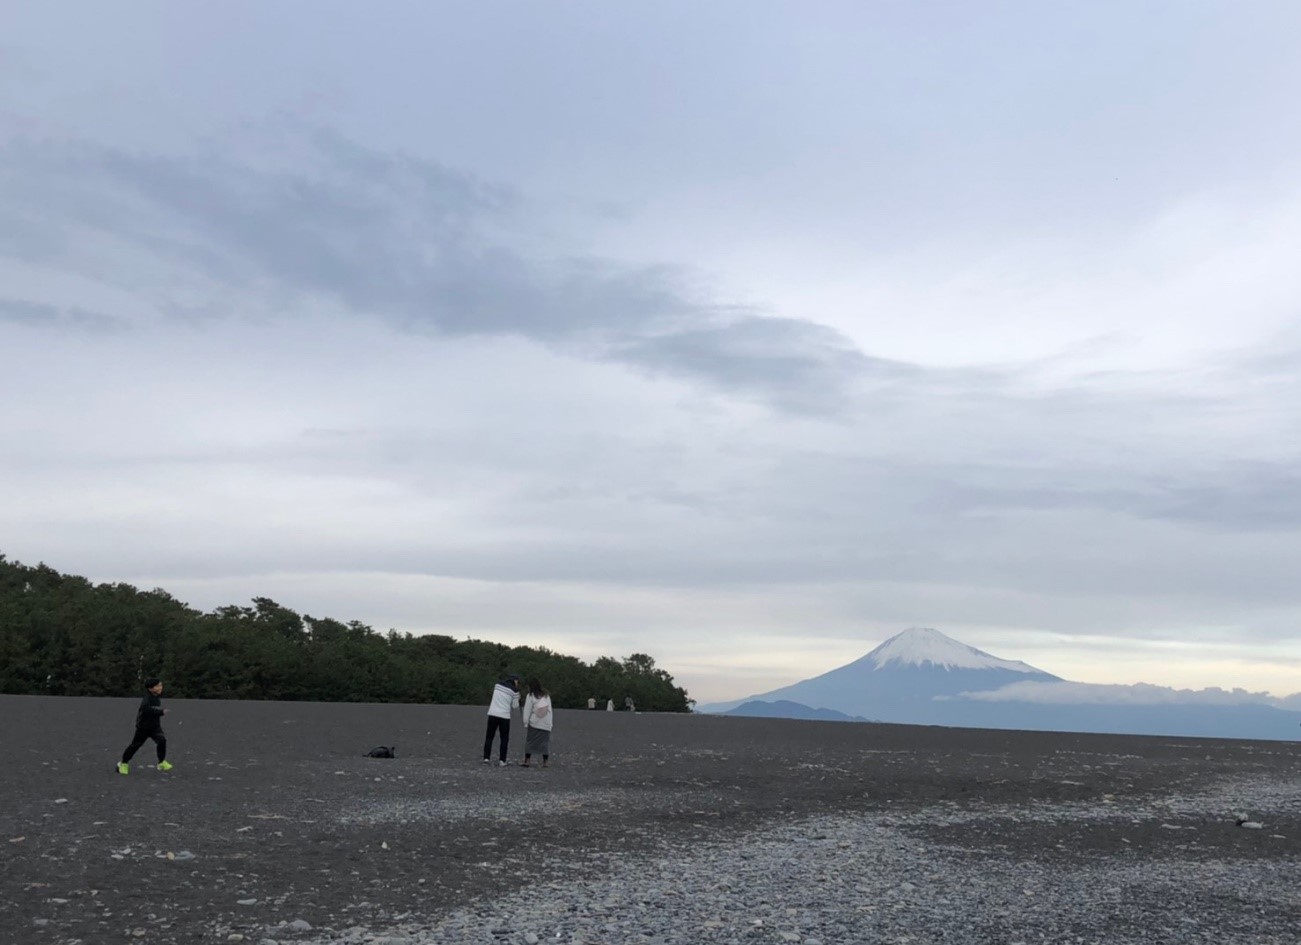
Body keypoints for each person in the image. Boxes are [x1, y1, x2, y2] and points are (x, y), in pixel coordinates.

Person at [118, 678, 172, 774]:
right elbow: (146, 709)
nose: (161, 687)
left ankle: (161, 762)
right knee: (135, 745)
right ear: (150, 688)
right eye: (158, 686)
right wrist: (161, 712)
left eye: (161, 685)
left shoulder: (156, 697)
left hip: (154, 727)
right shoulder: (147, 699)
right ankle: (123, 763)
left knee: (162, 740)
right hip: (143, 727)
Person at [482, 675, 519, 766]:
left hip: (493, 713)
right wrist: (518, 698)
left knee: (489, 737)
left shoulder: (497, 685)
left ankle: (486, 757)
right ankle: (502, 760)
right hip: (504, 716)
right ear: (515, 681)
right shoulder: (515, 691)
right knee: (504, 739)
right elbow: (515, 706)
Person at [520, 678, 553, 767]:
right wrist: (550, 724)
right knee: (544, 743)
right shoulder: (546, 696)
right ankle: (545, 761)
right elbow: (549, 710)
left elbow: (527, 710)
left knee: (530, 742)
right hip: (546, 723)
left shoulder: (530, 696)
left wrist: (526, 722)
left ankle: (527, 761)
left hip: (535, 722)